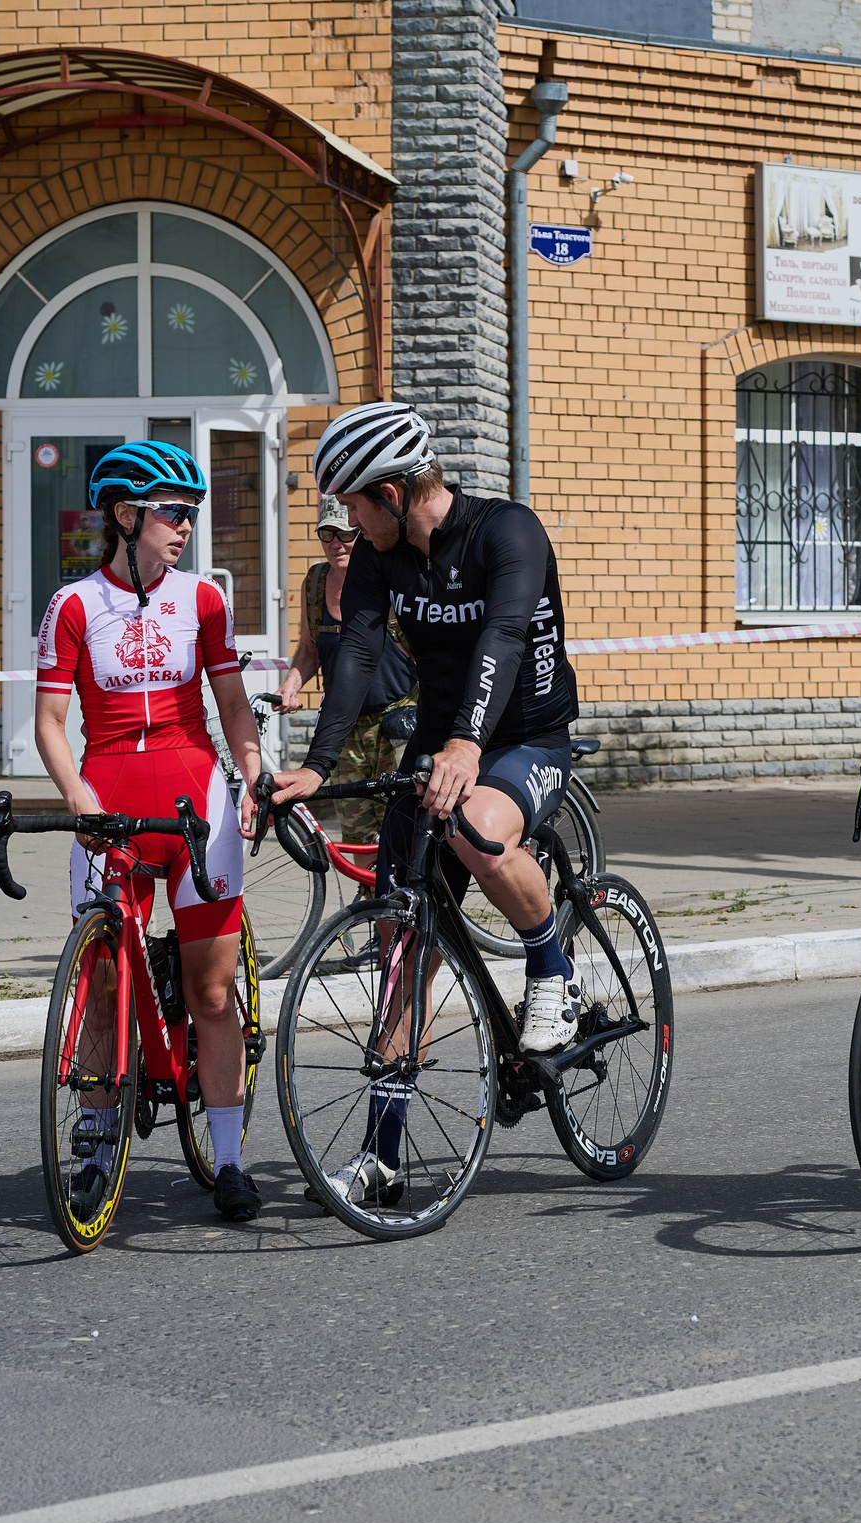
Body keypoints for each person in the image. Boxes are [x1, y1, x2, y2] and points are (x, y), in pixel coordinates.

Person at [266, 401, 581, 1209]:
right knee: (400, 942)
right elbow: (360, 648)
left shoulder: (508, 533)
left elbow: (503, 639)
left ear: (398, 491)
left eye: (353, 502)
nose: (346, 519)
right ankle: (382, 1155)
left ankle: (554, 970)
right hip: (441, 742)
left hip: (527, 737)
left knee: (478, 829)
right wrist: (317, 763)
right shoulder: (380, 554)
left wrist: (472, 744)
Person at [34, 439, 267, 1223]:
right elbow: (50, 722)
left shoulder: (203, 599)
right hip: (109, 802)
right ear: (126, 515)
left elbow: (232, 703)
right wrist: (77, 799)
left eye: (192, 515)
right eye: (173, 513)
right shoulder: (73, 605)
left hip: (191, 795)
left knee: (210, 989)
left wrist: (251, 770)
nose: (186, 529)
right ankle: (95, 1144)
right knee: (100, 992)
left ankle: (231, 1159)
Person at [278, 492, 416, 842]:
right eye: (327, 534)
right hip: (345, 729)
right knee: (357, 831)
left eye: (345, 534)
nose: (335, 544)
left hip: (396, 722)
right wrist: (291, 684)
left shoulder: (391, 578)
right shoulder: (315, 584)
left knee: (402, 827)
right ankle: (369, 893)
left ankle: (400, 891)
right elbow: (309, 649)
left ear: (361, 532)